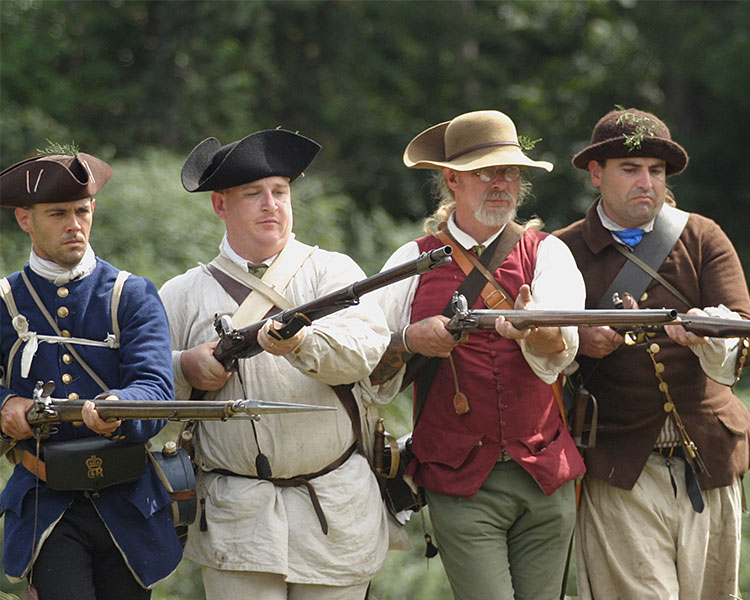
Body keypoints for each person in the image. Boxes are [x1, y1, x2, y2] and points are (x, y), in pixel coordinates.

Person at [159, 128, 392, 599]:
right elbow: (144, 384)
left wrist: (303, 343)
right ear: (220, 205)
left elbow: (366, 349)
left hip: (335, 508)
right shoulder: (183, 292)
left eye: (280, 192)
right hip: (234, 515)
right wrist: (184, 365)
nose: (271, 205)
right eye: (253, 194)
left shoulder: (334, 272)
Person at [363, 110, 587, 600]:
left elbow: (563, 348)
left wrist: (536, 330)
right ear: (451, 180)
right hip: (458, 479)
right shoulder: (411, 261)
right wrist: (409, 340)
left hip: (544, 472)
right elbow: (364, 361)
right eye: (487, 171)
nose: (501, 183)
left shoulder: (547, 253)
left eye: (510, 172)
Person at [555, 107, 750, 600]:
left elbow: (743, 334)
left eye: (656, 171)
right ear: (596, 174)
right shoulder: (561, 251)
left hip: (711, 461)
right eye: (630, 168)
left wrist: (712, 336)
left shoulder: (703, 236)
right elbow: (542, 348)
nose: (647, 182)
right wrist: (581, 343)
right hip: (619, 466)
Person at [0, 151, 182, 599]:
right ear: (25, 218)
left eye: (82, 211)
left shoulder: (132, 295)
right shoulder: (5, 301)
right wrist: (5, 404)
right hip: (46, 502)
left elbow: (156, 386)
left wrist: (121, 407)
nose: (73, 224)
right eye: (57, 213)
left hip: (127, 503)